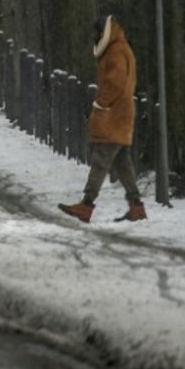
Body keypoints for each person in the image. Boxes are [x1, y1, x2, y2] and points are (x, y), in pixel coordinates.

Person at [59, 15, 146, 223]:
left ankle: (87, 205)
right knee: (122, 162)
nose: (93, 37)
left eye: (95, 33)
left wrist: (101, 103)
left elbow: (114, 83)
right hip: (122, 113)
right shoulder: (120, 49)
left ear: (102, 32)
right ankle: (136, 206)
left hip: (113, 115)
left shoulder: (116, 52)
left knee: (101, 160)